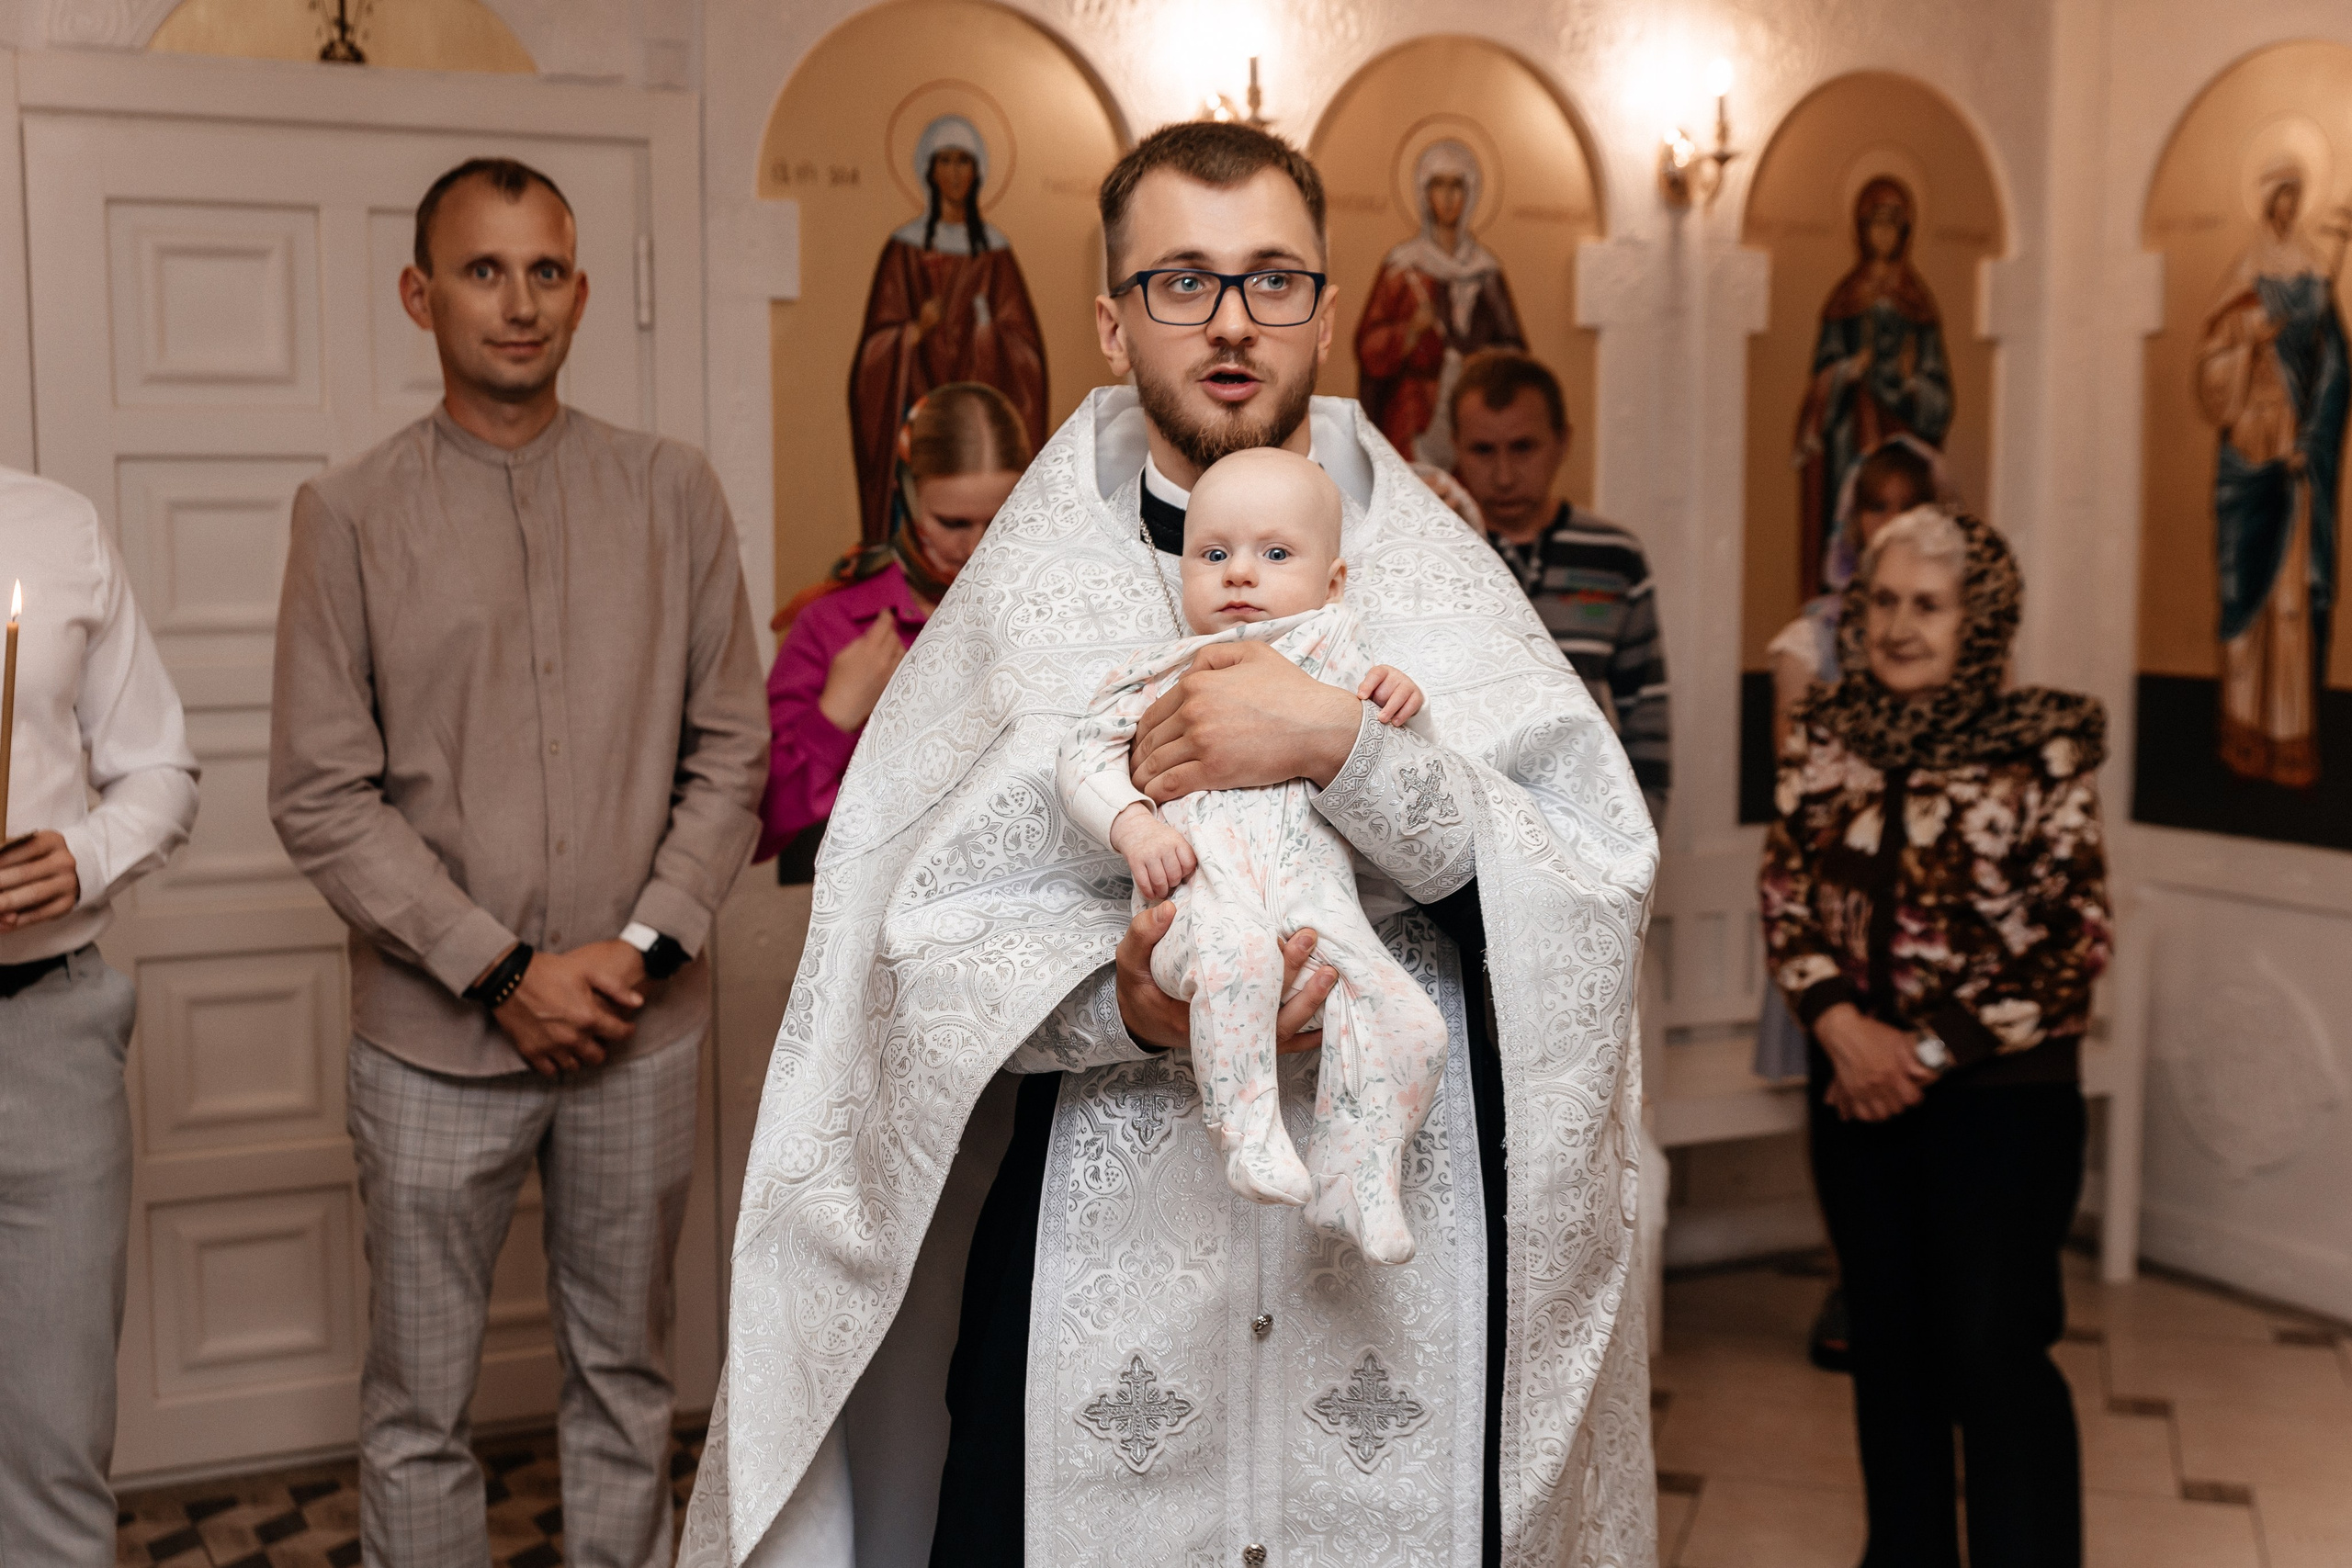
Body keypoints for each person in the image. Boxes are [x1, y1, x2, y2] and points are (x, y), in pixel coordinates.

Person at [682, 120, 1658, 1568]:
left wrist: (1335, 744)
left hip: (1398, 1257)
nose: (1228, 323)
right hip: (1097, 1244)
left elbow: (1582, 885)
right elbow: (916, 948)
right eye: (1181, 281)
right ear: (1110, 313)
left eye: (1272, 280)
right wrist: (1122, 1006)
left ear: (1328, 309)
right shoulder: (1023, 602)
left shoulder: (1437, 581)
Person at [268, 157, 767, 1568]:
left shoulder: (673, 494)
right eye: (485, 271)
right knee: (417, 1404)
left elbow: (730, 751)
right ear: (422, 294)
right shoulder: (351, 514)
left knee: (629, 1382)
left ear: (584, 290)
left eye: (547, 269)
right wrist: (500, 970)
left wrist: (639, 949)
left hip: (640, 1027)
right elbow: (318, 789)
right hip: (431, 1039)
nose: (520, 301)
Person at [1760, 506, 2110, 1568]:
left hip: (2002, 1102)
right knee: (1891, 1348)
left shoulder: (2044, 745)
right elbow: (1787, 892)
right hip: (1854, 1093)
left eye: (1928, 605)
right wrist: (1837, 1026)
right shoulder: (1827, 734)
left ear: (1981, 620)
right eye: (1881, 601)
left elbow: (2071, 941)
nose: (1898, 626)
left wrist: (1915, 1052)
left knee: (1991, 1351)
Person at [1059, 447, 1441, 1262]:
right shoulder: (1165, 668)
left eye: (1274, 554)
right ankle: (1247, 1130)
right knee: (1237, 956)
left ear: (1332, 584)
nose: (1240, 574)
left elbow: (1413, 788)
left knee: (1414, 1028)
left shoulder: (1347, 663)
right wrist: (1137, 827)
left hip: (1315, 904)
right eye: (1214, 553)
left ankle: (1355, 1173)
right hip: (1205, 902)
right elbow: (1082, 757)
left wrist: (1403, 711)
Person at [0, 473, 198, 1565]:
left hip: (45, 1031)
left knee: (54, 1456)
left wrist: (81, 859)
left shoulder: (54, 528)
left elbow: (160, 770)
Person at [760, 382, 1030, 874]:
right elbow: (756, 824)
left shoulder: (1057, 606)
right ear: (908, 496)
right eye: (953, 522)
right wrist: (833, 719)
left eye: (1000, 519)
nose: (977, 548)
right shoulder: (835, 624)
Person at [1449, 348, 1669, 824]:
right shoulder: (1437, 553)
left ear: (1562, 442)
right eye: (1483, 451)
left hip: (1591, 819)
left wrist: (1644, 829)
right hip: (1465, 824)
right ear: (1456, 448)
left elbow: (1646, 715)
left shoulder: (1616, 555)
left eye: (1524, 447)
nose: (1504, 475)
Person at [2193, 157, 2348, 788]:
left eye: (2295, 197)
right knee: (2244, 597)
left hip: (2293, 453)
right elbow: (2210, 368)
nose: (2287, 208)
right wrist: (2253, 333)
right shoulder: (2243, 274)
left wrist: (2312, 436)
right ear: (2264, 203)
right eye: (2279, 197)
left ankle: (2287, 736)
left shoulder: (2317, 274)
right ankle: (2240, 732)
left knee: (2287, 601)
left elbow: (2337, 367)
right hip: (2248, 446)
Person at [850, 114, 1048, 545]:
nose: (955, 173)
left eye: (964, 162)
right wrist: (911, 334)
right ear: (929, 169)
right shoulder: (904, 249)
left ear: (977, 172)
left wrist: (987, 335)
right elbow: (873, 354)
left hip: (983, 438)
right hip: (919, 429)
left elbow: (1026, 353)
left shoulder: (995, 253)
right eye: (946, 161)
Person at [1792, 176, 1952, 601]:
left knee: (1904, 482)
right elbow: (1823, 371)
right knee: (1859, 481)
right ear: (1861, 230)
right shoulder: (1845, 297)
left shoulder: (1917, 301)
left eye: (1893, 224)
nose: (1883, 234)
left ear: (1906, 231)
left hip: (1904, 422)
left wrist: (1913, 386)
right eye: (1875, 224)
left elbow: (1937, 383)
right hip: (1853, 425)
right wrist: (1848, 370)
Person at [1355, 139, 1526, 468]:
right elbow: (1369, 347)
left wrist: (1484, 361)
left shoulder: (1485, 270)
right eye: (1438, 186)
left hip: (1474, 423)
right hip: (1411, 420)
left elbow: (1515, 352)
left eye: (1457, 186)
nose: (1448, 198)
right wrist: (1408, 333)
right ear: (1424, 193)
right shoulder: (1402, 268)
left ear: (1471, 194)